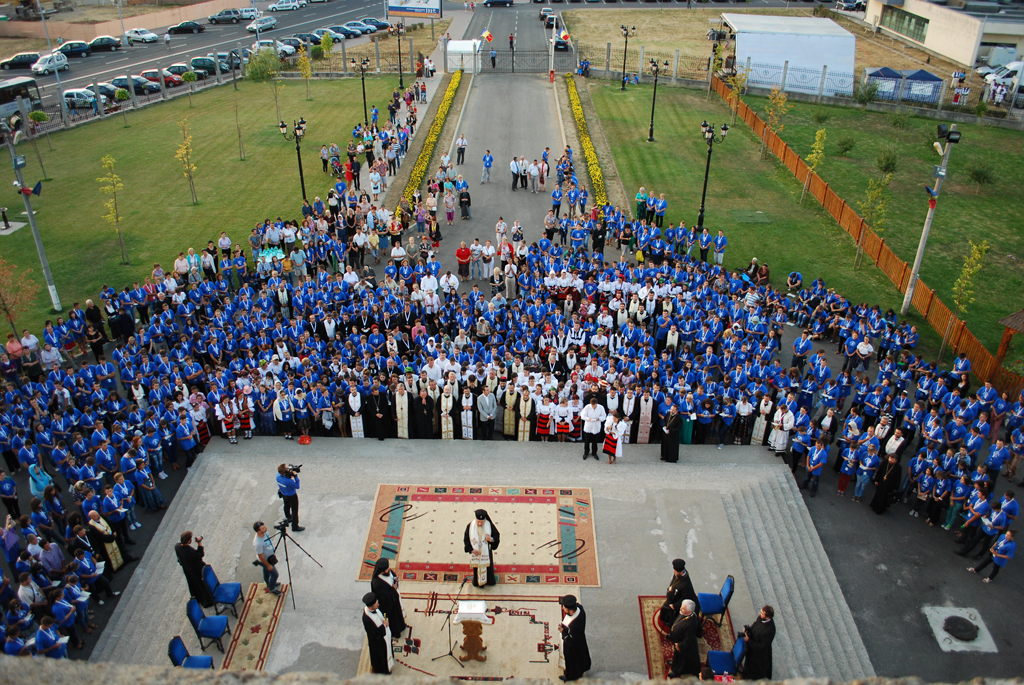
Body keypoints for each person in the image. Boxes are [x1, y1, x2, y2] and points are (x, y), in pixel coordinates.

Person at [174, 530, 215, 608]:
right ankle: (207, 600)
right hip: (197, 569)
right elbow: (200, 554)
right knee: (201, 584)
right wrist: (199, 542)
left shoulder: (177, 546)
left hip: (188, 570)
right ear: (189, 540)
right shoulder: (189, 551)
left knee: (194, 584)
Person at [370, 558, 407, 637]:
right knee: (394, 619)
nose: (389, 569)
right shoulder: (377, 583)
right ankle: (396, 632)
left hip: (395, 600)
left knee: (399, 614)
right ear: (382, 571)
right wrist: (394, 589)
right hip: (390, 606)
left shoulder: (387, 573)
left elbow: (392, 576)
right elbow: (385, 598)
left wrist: (395, 580)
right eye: (387, 569)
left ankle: (402, 626)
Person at [464, 508, 500, 587]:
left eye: (482, 522)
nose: (480, 523)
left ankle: (489, 581)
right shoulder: (470, 526)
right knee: (477, 568)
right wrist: (471, 550)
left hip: (486, 551)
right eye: (478, 522)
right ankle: (477, 582)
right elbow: (466, 539)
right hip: (475, 551)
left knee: (488, 568)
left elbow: (496, 536)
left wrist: (491, 539)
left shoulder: (489, 525)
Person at [558, 594, 590, 682]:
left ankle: (571, 677)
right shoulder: (580, 609)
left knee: (571, 661)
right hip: (580, 640)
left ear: (570, 611)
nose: (562, 609)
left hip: (573, 645)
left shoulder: (574, 626)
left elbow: (570, 641)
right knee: (582, 656)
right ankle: (582, 669)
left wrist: (562, 631)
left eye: (564, 608)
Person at [658, 558, 699, 627]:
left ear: (681, 572)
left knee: (668, 610)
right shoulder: (678, 575)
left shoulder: (686, 584)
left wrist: (675, 605)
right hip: (674, 597)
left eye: (675, 571)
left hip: (678, 601)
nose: (674, 572)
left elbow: (685, 598)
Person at [667, 599, 701, 678]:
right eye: (681, 607)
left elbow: (688, 639)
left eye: (683, 609)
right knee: (677, 655)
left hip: (683, 645)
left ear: (689, 612)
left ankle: (676, 671)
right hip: (678, 639)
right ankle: (674, 663)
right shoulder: (685, 614)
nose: (680, 609)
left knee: (681, 660)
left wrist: (680, 645)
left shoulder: (690, 624)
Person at [362, 592, 393, 674]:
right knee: (382, 658)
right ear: (371, 607)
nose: (378, 604)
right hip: (378, 643)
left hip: (383, 637)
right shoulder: (367, 619)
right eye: (376, 603)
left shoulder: (375, 609)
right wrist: (384, 626)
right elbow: (375, 635)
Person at [741, 605, 776, 679]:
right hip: (752, 646)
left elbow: (762, 646)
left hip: (758, 654)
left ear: (768, 617)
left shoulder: (769, 630)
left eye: (762, 613)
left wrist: (748, 640)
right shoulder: (761, 617)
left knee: (754, 669)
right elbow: (755, 624)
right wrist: (748, 629)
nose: (760, 614)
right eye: (760, 612)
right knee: (748, 662)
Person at [253, 520, 281, 595]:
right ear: (258, 531)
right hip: (265, 560)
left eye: (264, 526)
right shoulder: (258, 543)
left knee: (266, 572)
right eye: (262, 528)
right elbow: (261, 557)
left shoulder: (265, 533)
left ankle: (268, 582)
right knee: (275, 574)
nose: (265, 528)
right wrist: (268, 565)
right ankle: (271, 588)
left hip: (269, 556)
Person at [276, 464, 304, 532]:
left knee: (286, 505)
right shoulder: (288, 481)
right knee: (294, 510)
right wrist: (295, 476)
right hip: (292, 496)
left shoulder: (278, 476)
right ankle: (295, 527)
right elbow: (297, 486)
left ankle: (288, 517)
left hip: (284, 493)